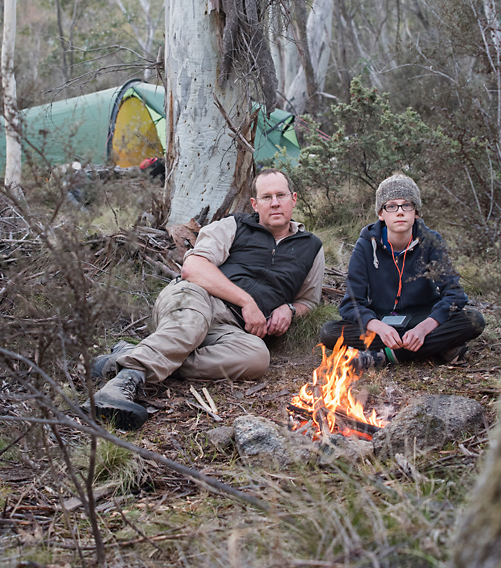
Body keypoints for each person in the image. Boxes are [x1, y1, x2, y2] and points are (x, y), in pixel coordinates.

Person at [83, 169, 325, 429]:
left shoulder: (311, 247)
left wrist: (289, 309)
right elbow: (194, 268)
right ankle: (120, 386)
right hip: (194, 299)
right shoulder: (235, 225)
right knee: (192, 322)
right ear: (255, 204)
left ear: (294, 199)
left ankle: (132, 355)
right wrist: (247, 302)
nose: (275, 203)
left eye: (281, 195)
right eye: (266, 197)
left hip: (232, 330)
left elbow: (308, 301)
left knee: (257, 357)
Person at [320, 174, 484, 370]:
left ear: (416, 212)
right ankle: (436, 348)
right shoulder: (365, 245)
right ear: (381, 214)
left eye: (407, 205)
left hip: (422, 318)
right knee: (330, 332)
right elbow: (351, 305)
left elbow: (455, 294)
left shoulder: (431, 241)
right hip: (382, 322)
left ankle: (384, 357)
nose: (399, 212)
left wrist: (426, 327)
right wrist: (377, 326)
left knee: (474, 320)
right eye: (391, 206)